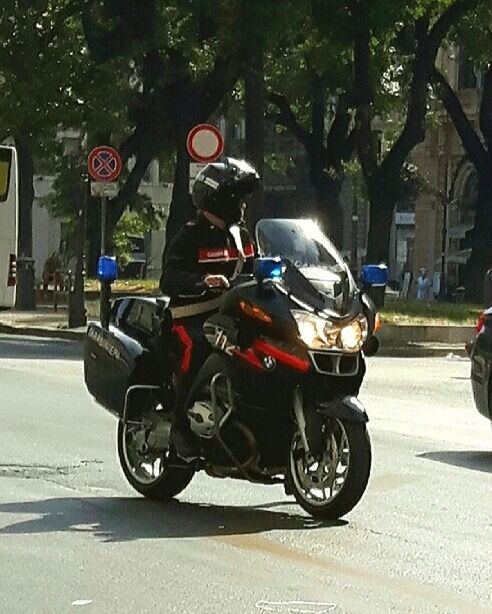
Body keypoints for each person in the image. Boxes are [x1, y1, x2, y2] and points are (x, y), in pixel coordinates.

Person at [160, 158, 260, 460]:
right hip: (191, 316)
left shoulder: (242, 237)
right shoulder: (190, 235)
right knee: (198, 346)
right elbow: (168, 278)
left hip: (232, 316)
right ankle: (180, 427)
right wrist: (202, 280)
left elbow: (260, 271)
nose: (241, 205)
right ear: (215, 199)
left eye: (242, 198)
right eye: (235, 198)